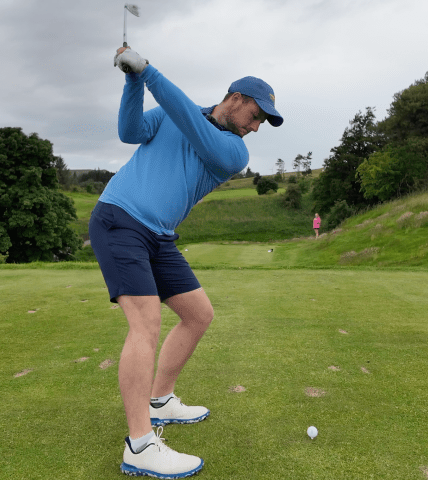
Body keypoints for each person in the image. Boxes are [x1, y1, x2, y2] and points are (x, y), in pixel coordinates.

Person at [88, 46, 283, 478]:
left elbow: (190, 123)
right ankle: (139, 445)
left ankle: (160, 400)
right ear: (234, 98)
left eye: (262, 123)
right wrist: (133, 81)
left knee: (198, 314)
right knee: (146, 324)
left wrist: (148, 71)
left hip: (158, 235)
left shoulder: (233, 152)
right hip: (120, 219)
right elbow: (131, 130)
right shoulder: (179, 113)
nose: (255, 127)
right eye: (255, 115)